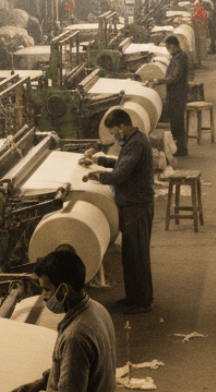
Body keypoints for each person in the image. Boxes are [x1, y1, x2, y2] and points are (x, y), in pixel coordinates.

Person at [81, 109, 155, 314]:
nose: (114, 135)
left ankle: (142, 302)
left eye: (114, 131)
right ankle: (133, 298)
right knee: (131, 255)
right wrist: (100, 161)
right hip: (131, 205)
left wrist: (97, 175)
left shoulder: (137, 143)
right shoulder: (134, 140)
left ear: (122, 127)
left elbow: (120, 174)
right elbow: (123, 164)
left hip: (137, 207)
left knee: (138, 255)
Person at [13, 250, 117, 392]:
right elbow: (75, 367)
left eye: (46, 289)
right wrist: (39, 384)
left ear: (64, 290)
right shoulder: (98, 309)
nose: (44, 297)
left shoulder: (74, 337)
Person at [154, 36, 190, 157]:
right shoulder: (176, 57)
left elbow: (174, 78)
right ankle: (179, 148)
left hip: (178, 95)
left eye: (169, 48)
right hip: (175, 94)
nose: (169, 51)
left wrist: (158, 81)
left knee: (177, 122)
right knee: (175, 122)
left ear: (174, 46)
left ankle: (181, 149)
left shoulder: (180, 58)